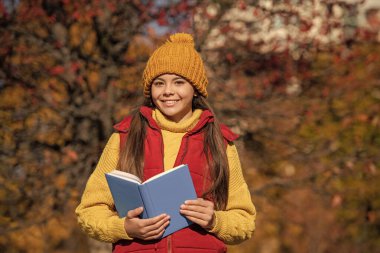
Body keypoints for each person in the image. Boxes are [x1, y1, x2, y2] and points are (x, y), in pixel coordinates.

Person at [75, 33, 256, 253]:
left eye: (179, 82)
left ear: (195, 88)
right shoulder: (124, 136)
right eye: (159, 83)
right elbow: (89, 211)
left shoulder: (220, 142)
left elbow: (245, 222)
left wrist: (215, 220)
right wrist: (124, 227)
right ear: (150, 91)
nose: (168, 91)